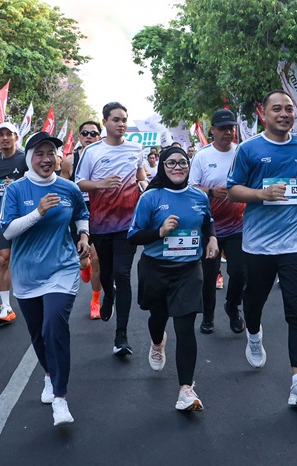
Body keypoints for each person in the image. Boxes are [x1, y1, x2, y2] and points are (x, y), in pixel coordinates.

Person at [227, 90, 297, 407]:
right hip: (258, 245)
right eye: (277, 109)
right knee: (254, 302)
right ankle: (254, 334)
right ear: (264, 114)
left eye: (289, 109)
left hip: (295, 243)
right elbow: (233, 190)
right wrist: (262, 195)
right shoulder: (249, 149)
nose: (284, 114)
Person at [0, 132, 90, 426]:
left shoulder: (68, 187)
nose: (46, 159)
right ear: (29, 158)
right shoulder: (16, 190)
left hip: (62, 267)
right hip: (27, 272)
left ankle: (61, 398)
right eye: (39, 153)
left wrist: (84, 235)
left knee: (54, 325)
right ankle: (49, 375)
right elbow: (8, 231)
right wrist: (38, 212)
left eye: (51, 152)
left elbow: (81, 213)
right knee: (38, 333)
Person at [129, 147, 218, 411]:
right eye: (171, 163)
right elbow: (133, 235)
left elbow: (207, 221)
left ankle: (186, 389)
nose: (178, 167)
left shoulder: (198, 196)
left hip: (188, 269)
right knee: (158, 318)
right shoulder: (150, 198)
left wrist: (212, 238)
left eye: (183, 163)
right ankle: (157, 341)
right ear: (162, 166)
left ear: (189, 166)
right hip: (155, 268)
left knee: (185, 327)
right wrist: (159, 232)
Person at [75, 102, 148, 356]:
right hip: (101, 224)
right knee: (105, 273)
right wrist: (101, 184)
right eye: (116, 119)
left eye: (124, 119)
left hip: (128, 225)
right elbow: (79, 183)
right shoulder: (92, 151)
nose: (121, 124)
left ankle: (121, 336)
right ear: (105, 122)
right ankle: (108, 294)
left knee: (123, 274)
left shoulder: (135, 149)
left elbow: (141, 176)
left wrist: (144, 185)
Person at [189, 109, 246, 335]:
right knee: (209, 275)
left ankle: (232, 307)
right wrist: (211, 192)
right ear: (212, 130)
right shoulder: (202, 156)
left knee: (240, 272)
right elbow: (191, 188)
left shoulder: (241, 152)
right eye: (222, 128)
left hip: (238, 224)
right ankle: (208, 316)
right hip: (209, 226)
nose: (228, 132)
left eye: (231, 128)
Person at [61, 121, 103, 319]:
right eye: (85, 133)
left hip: (100, 213)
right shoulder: (70, 161)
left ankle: (95, 301)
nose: (89, 136)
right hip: (77, 214)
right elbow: (62, 188)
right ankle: (86, 266)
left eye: (93, 133)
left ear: (99, 137)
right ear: (79, 137)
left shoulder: (105, 158)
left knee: (97, 259)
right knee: (84, 263)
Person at [0, 122, 27, 324]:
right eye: (0, 135)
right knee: (3, 259)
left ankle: (36, 297)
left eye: (8, 134)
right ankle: (6, 307)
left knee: (27, 258)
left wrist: (17, 184)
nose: (4, 138)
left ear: (16, 137)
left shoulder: (25, 158)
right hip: (3, 216)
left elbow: (36, 179)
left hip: (25, 215)